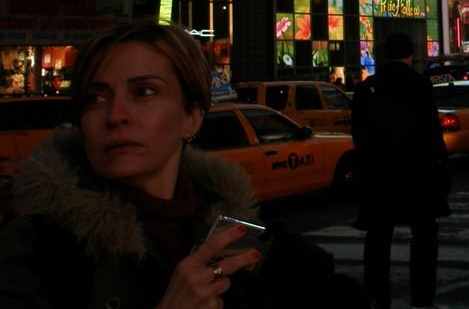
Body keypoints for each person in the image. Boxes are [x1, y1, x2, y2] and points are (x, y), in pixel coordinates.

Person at [0, 19, 349, 308]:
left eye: (145, 92)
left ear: (192, 118)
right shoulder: (33, 249)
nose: (116, 115)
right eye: (96, 97)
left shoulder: (240, 237)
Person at [352, 32, 451, 309]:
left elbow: (358, 136)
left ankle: (378, 298)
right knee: (424, 236)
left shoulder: (367, 88)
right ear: (409, 54)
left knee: (378, 239)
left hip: (379, 175)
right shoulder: (420, 85)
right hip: (417, 174)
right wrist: (440, 171)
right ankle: (422, 299)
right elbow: (432, 134)